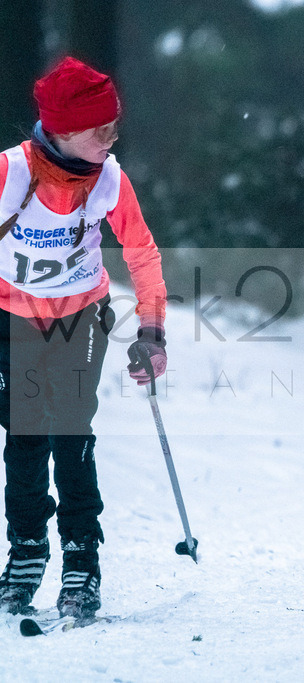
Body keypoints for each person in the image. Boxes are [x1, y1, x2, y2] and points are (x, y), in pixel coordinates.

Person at [0, 56, 167, 618]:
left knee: (72, 429)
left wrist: (151, 330)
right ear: (66, 129)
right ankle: (25, 549)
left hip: (81, 317)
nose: (113, 138)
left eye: (115, 126)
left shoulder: (110, 179)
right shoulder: (8, 174)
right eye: (102, 130)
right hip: (13, 318)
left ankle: (81, 558)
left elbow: (141, 252)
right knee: (24, 435)